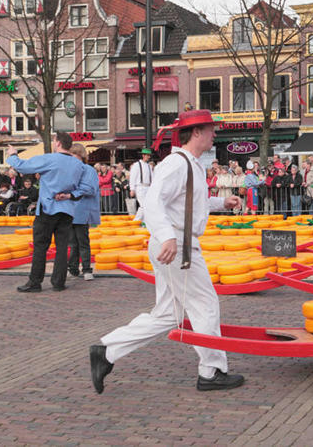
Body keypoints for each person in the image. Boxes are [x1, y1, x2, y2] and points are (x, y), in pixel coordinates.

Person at [91, 110, 243, 394]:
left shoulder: (190, 164)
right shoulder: (177, 164)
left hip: (176, 243)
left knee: (168, 314)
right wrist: (168, 237)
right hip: (179, 246)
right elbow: (153, 201)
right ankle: (212, 371)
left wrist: (222, 204)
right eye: (211, 130)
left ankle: (107, 350)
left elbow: (187, 203)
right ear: (196, 132)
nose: (214, 134)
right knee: (205, 304)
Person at [8, 132, 90, 292]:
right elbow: (85, 188)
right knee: (62, 246)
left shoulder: (50, 159)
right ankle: (58, 282)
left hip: (48, 208)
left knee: (40, 246)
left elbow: (22, 166)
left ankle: (35, 282)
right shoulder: (78, 165)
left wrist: (13, 155)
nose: (53, 143)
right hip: (67, 210)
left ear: (58, 143)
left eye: (53, 140)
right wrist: (70, 195)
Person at [66, 144, 100, 280]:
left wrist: (71, 193)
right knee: (72, 242)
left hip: (82, 210)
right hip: (70, 210)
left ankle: (86, 269)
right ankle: (73, 268)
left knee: (82, 241)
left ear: (81, 156)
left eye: (74, 156)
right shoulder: (69, 170)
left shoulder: (88, 170)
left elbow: (90, 189)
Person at [129, 148, 154, 219]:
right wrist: (132, 189)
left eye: (149, 155)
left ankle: (143, 221)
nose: (149, 157)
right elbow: (132, 177)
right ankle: (136, 221)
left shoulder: (149, 166)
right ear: (143, 155)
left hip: (148, 187)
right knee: (143, 205)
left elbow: (152, 178)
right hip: (140, 187)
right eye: (147, 155)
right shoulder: (137, 165)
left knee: (147, 206)